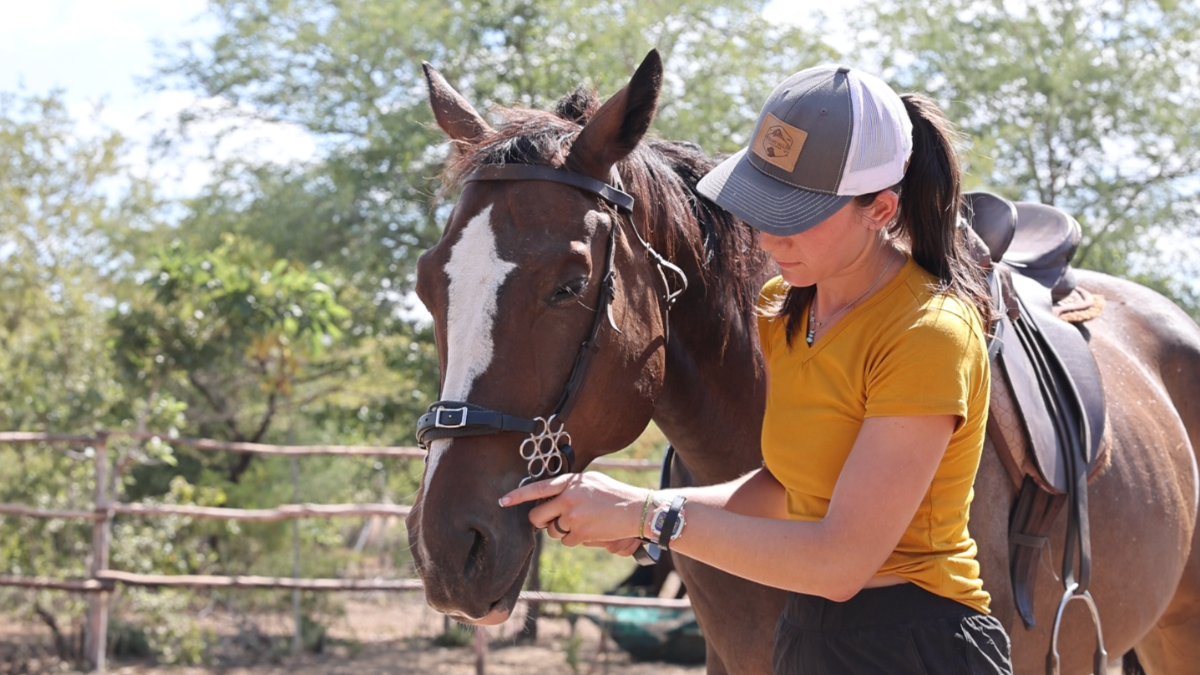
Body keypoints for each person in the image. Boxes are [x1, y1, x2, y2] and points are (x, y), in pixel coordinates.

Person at [499, 64, 1013, 674]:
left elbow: (842, 562)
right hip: (806, 633)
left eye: (796, 217)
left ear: (879, 209)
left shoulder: (927, 331)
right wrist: (646, 506)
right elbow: (786, 487)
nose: (769, 237)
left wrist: (653, 518)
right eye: (761, 207)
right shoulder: (783, 311)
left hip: (918, 643)